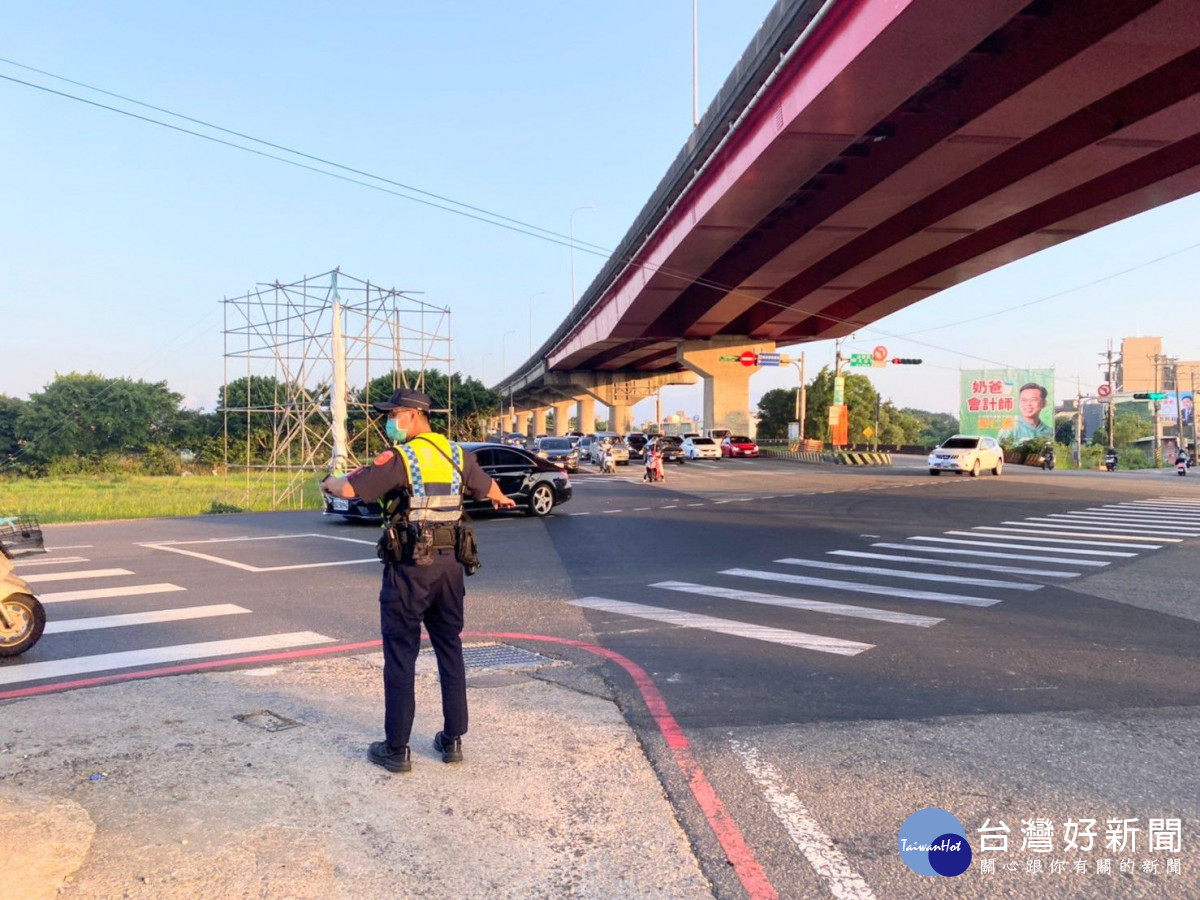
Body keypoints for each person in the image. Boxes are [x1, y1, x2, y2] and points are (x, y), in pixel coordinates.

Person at [320, 389, 516, 773]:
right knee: (449, 648)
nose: (387, 421)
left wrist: (328, 482)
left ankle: (396, 748)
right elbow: (487, 487)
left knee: (401, 654)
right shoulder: (458, 454)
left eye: (392, 414)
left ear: (411, 416)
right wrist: (501, 498)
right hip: (450, 567)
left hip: (411, 567)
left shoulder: (401, 457)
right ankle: (453, 739)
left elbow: (350, 488)